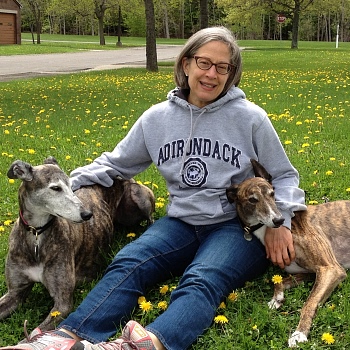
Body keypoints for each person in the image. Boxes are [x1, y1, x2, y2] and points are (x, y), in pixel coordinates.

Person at [1, 26, 306, 350]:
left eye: (223, 67)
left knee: (203, 278)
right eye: (204, 62)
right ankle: (65, 337)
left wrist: (280, 222)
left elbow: (285, 176)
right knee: (130, 261)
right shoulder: (157, 119)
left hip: (234, 226)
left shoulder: (251, 118)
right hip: (181, 223)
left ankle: (144, 345)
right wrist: (68, 184)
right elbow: (115, 164)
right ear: (186, 63)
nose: (211, 73)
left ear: (232, 74)